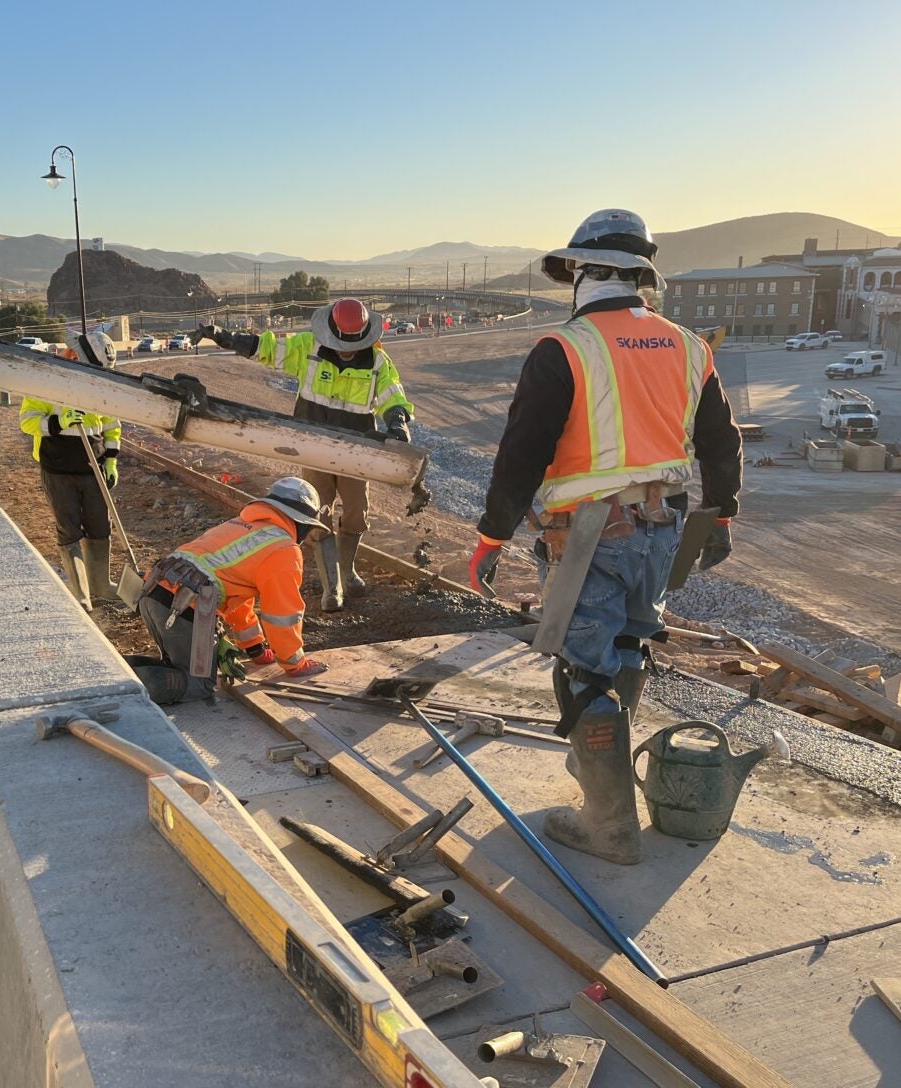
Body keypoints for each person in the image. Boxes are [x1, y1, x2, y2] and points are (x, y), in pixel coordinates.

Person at [469, 209, 742, 865]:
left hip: (589, 532)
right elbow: (719, 440)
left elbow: (522, 454)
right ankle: (604, 771)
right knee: (628, 643)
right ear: (641, 277)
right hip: (662, 529)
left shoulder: (564, 348)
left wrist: (491, 537)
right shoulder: (688, 345)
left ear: (583, 272)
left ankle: (608, 823)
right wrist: (723, 512)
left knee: (583, 669)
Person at [193, 299, 415, 611]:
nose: (346, 351)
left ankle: (347, 571)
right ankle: (332, 588)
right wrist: (226, 337)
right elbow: (267, 349)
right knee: (318, 514)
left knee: (356, 512)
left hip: (356, 450)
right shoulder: (308, 348)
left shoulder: (378, 360)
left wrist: (398, 421)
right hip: (314, 447)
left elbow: (392, 394)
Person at [130, 477, 331, 705]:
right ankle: (119, 689)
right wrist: (294, 664)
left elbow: (237, 600)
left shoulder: (240, 526)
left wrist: (255, 648)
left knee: (178, 668)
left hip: (155, 593)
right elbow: (282, 615)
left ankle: (118, 669)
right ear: (301, 522)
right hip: (185, 606)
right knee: (199, 684)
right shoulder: (283, 549)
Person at [19, 332, 122, 609]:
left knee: (100, 526)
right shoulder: (46, 382)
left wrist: (111, 460)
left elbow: (112, 426)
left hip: (94, 467)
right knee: (69, 529)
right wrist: (58, 422)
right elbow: (27, 422)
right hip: (58, 468)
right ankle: (81, 593)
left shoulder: (100, 386)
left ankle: (101, 585)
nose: (64, 352)